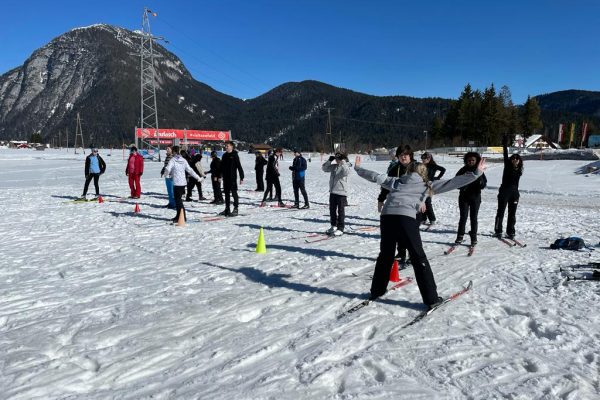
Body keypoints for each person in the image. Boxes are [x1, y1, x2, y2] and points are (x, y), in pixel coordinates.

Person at [354, 154, 486, 308]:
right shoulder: (427, 185)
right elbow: (454, 182)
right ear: (424, 173)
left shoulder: (396, 181)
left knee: (386, 254)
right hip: (405, 219)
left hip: (387, 217)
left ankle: (377, 290)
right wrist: (476, 173)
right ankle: (431, 299)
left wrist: (358, 168)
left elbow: (374, 176)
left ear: (408, 171)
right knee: (418, 257)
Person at [378, 145, 416, 263]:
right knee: (399, 230)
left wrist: (423, 201)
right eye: (400, 155)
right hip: (398, 203)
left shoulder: (418, 168)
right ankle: (401, 253)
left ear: (410, 156)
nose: (403, 157)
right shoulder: (395, 169)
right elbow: (386, 185)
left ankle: (413, 254)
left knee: (411, 232)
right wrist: (381, 200)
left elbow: (425, 186)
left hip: (414, 204)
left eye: (405, 155)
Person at [494, 135, 524, 239]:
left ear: (519, 161)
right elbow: (505, 155)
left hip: (515, 193)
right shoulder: (507, 166)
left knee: (512, 214)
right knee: (501, 212)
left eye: (517, 159)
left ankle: (510, 231)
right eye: (514, 158)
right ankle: (498, 230)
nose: (515, 160)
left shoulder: (519, 170)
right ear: (511, 160)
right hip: (504, 192)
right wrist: (505, 144)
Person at [455, 152, 487, 246]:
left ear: (476, 161)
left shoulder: (478, 170)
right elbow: (455, 182)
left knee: (473, 218)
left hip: (475, 197)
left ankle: (473, 237)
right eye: (469, 160)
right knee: (463, 217)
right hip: (464, 197)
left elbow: (484, 183)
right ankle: (460, 236)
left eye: (473, 160)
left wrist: (480, 182)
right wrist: (462, 186)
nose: (471, 162)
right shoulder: (463, 170)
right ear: (466, 160)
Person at [164, 145, 202, 223]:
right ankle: (178, 215)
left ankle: (182, 216)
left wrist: (166, 174)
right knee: (178, 200)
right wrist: (198, 178)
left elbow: (167, 168)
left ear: (174, 152)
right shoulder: (183, 160)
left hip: (177, 183)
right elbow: (190, 170)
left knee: (178, 201)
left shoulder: (173, 160)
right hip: (183, 183)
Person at [322, 151, 351, 236]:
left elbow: (346, 172)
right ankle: (334, 225)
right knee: (332, 210)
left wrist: (343, 161)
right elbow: (324, 169)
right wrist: (329, 161)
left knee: (341, 211)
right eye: (336, 159)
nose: (337, 160)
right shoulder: (334, 166)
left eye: (339, 159)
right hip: (333, 191)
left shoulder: (345, 166)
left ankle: (340, 228)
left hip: (341, 192)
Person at [419, 152, 446, 225]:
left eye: (425, 158)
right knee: (422, 202)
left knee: (427, 202)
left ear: (429, 158)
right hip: (421, 185)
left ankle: (432, 219)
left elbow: (443, 169)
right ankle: (423, 219)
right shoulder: (421, 166)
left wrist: (437, 178)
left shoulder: (432, 165)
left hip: (429, 186)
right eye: (422, 158)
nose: (423, 160)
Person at [219, 141, 245, 217]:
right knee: (226, 194)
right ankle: (227, 208)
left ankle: (236, 208)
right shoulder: (224, 155)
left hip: (232, 178)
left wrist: (241, 177)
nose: (226, 147)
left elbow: (239, 166)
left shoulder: (234, 155)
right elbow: (221, 167)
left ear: (231, 147)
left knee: (234, 193)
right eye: (225, 146)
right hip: (225, 178)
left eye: (227, 146)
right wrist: (220, 175)